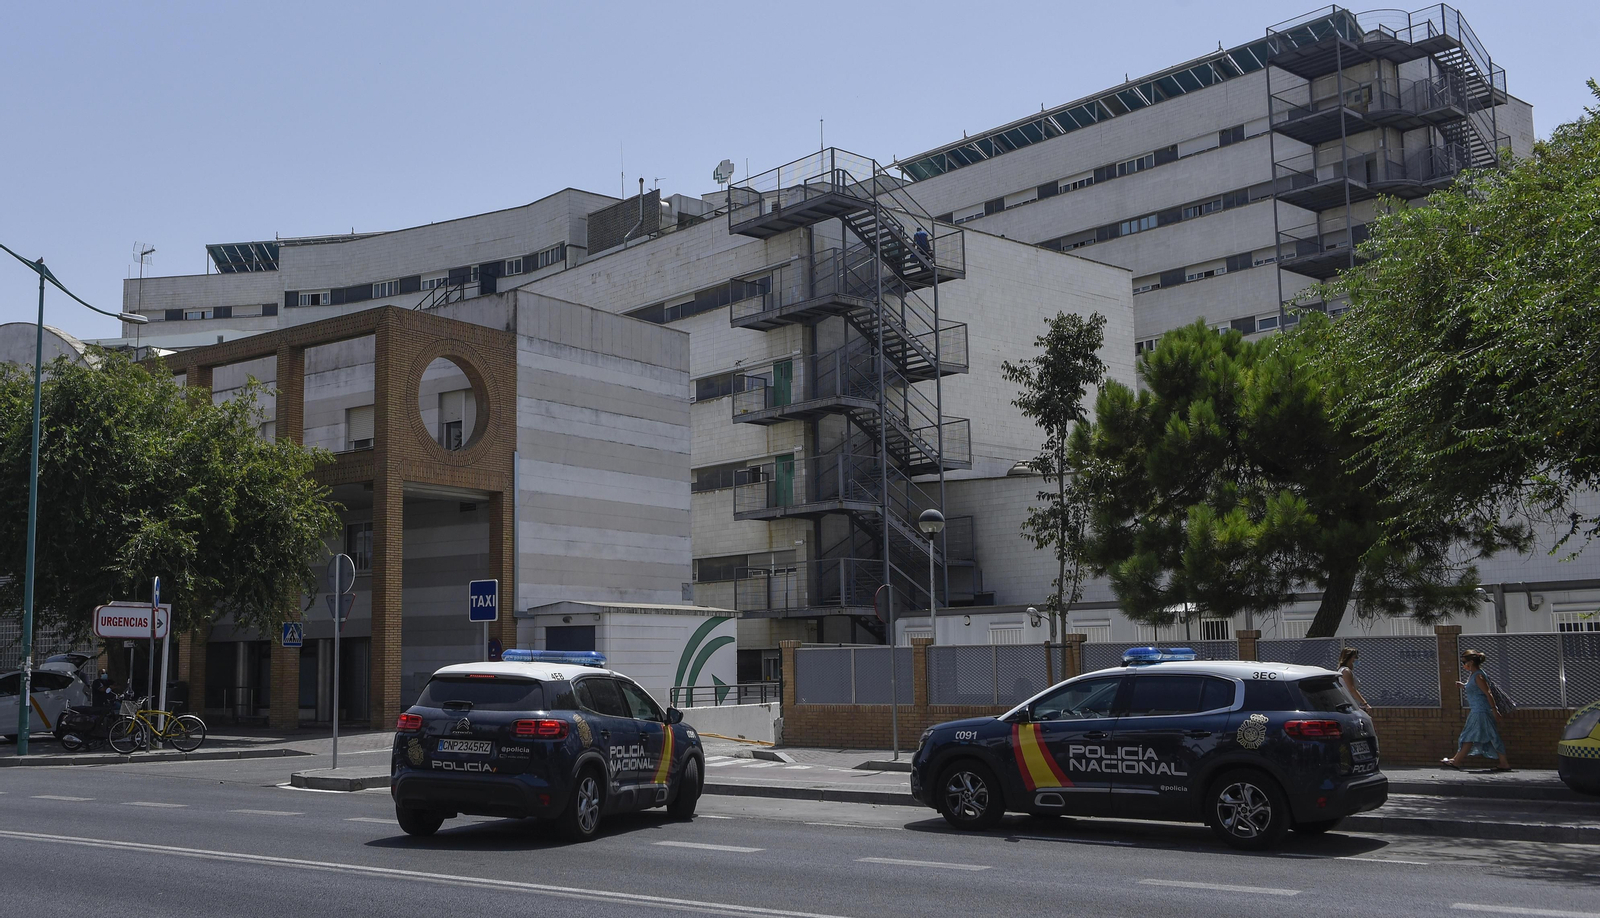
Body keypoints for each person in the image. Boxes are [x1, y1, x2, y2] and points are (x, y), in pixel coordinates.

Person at [1442, 649, 1511, 771]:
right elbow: (1476, 689)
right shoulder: (1474, 675)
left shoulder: (1478, 675)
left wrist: (1494, 710)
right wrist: (1464, 686)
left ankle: (1456, 761)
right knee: (1483, 735)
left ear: (1471, 662)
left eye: (1464, 662)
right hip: (1477, 710)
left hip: (1481, 711)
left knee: (1472, 735)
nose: (1463, 665)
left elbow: (1488, 693)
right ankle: (1457, 760)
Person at [1337, 647, 1372, 714]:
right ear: (1349, 658)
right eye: (1355, 657)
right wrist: (1365, 704)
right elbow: (1352, 689)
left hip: (1352, 705)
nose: (1357, 659)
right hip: (1349, 706)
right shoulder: (1346, 671)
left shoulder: (1344, 670)